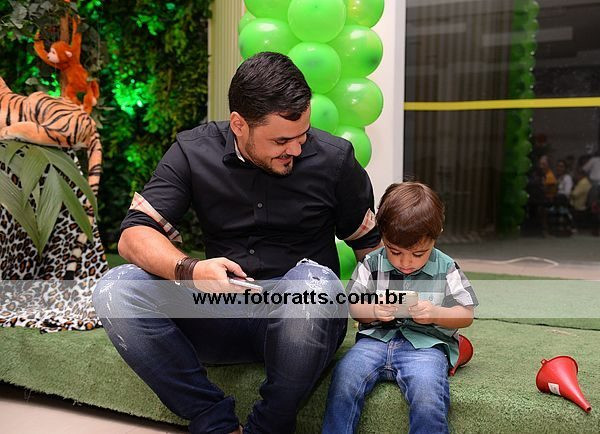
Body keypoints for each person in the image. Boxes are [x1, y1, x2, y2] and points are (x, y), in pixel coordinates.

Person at [92, 52, 381, 434]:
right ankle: (214, 420)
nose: (296, 149)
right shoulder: (192, 151)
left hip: (303, 324)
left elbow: (372, 250)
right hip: (218, 315)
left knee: (318, 285)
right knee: (116, 287)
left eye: (303, 135)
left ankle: (269, 426)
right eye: (281, 140)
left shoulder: (335, 160)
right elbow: (133, 237)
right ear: (239, 124)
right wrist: (191, 270)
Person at [322, 182, 478, 434]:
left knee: (428, 393)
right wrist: (373, 310)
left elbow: (466, 314)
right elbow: (354, 305)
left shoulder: (447, 267)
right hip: (374, 341)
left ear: (436, 235)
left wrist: (435, 313)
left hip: (425, 347)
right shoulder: (371, 262)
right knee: (344, 377)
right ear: (382, 234)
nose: (406, 262)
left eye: (418, 254)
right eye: (395, 252)